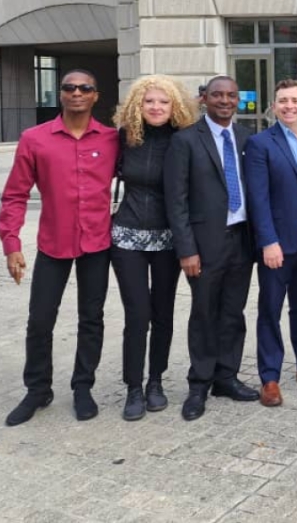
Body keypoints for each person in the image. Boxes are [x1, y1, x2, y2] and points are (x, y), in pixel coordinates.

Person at [0, 69, 119, 426]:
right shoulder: (35, 139)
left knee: (91, 319)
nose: (76, 93)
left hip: (97, 243)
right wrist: (11, 243)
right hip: (53, 244)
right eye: (69, 88)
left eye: (85, 88)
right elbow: (15, 195)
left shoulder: (113, 140)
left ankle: (83, 387)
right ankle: (38, 390)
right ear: (60, 94)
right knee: (39, 320)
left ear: (96, 95)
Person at [163, 75, 260, 422]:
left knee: (234, 312)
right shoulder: (186, 140)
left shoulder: (249, 138)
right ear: (203, 98)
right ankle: (199, 383)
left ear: (238, 99)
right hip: (204, 245)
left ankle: (226, 377)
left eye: (231, 95)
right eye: (217, 95)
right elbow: (176, 201)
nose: (224, 101)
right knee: (205, 312)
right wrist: (186, 250)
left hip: (242, 240)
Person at [109, 75, 198, 421]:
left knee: (162, 313)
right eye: (149, 102)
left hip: (168, 239)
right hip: (128, 236)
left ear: (174, 105)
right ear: (137, 105)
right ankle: (133, 386)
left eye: (163, 102)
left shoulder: (183, 140)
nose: (156, 107)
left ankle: (155, 382)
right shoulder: (124, 139)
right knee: (137, 314)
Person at [246, 79, 297, 408]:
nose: (289, 106)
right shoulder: (260, 143)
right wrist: (268, 242)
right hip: (277, 243)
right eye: (283, 101)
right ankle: (269, 377)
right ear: (274, 106)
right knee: (270, 310)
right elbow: (258, 198)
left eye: (295, 100)